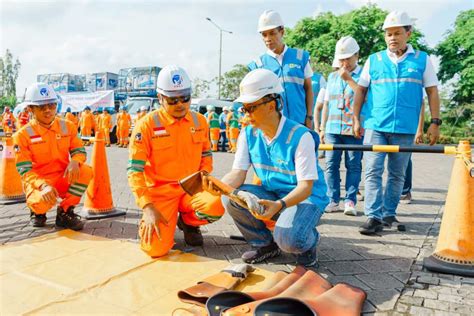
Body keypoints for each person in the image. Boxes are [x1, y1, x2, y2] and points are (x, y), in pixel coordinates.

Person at [204, 69, 328, 267]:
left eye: (250, 108)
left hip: (306, 198)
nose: (245, 114)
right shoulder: (248, 133)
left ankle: (308, 240)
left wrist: (279, 205)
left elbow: (306, 188)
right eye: (244, 109)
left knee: (290, 241)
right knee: (232, 197)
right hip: (275, 194)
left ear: (271, 105)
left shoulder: (300, 136)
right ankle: (264, 244)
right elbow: (238, 173)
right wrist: (220, 187)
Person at [352, 11, 441, 235]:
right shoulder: (374, 60)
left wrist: (435, 122)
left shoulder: (422, 59)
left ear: (408, 33)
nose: (392, 38)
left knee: (397, 174)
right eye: (388, 34)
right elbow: (361, 90)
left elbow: (432, 91)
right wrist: (355, 118)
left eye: (397, 33)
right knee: (372, 170)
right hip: (375, 125)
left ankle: (389, 213)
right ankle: (373, 216)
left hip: (405, 127)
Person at [127, 65, 224, 258]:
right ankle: (163, 221)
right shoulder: (146, 125)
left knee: (215, 206)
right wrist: (147, 207)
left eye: (185, 97)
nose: (180, 104)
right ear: (160, 97)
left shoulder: (200, 122)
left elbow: (206, 155)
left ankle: (188, 223)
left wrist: (204, 175)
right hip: (161, 194)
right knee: (154, 249)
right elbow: (134, 171)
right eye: (173, 99)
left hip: (191, 189)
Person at [13, 82, 92, 230]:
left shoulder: (67, 126)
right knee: (41, 204)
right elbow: (24, 170)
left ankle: (65, 212)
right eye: (42, 107)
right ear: (31, 109)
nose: (48, 110)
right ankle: (37, 213)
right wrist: (42, 185)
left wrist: (75, 161)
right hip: (39, 182)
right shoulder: (22, 135)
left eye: (52, 105)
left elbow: (79, 150)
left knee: (86, 171)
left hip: (62, 176)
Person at [319, 36, 364, 216]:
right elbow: (327, 104)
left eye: (347, 58)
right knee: (331, 164)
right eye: (341, 58)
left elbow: (365, 97)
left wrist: (348, 79)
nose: (344, 62)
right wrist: (322, 127)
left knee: (353, 164)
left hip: (353, 128)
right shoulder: (332, 76)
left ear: (356, 56)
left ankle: (350, 200)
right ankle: (333, 199)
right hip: (333, 127)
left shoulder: (363, 75)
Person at [248, 10, 314, 128]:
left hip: (299, 122)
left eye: (272, 33)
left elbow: (308, 88)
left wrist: (309, 117)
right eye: (264, 34)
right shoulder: (258, 64)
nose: (268, 38)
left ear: (282, 32)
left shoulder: (300, 57)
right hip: (272, 124)